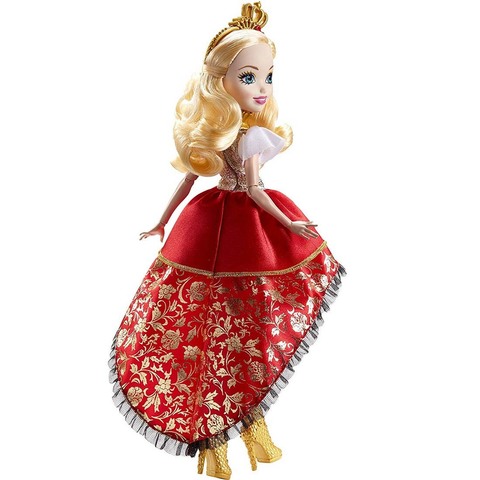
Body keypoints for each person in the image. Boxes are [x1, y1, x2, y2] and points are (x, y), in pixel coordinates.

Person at [108, 3, 346, 479]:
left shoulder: (244, 134)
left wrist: (164, 221)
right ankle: (221, 440)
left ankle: (239, 433)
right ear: (220, 82)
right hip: (230, 226)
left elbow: (197, 183)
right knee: (216, 328)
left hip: (218, 226)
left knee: (230, 329)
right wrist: (288, 223)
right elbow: (243, 188)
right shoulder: (238, 137)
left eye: (268, 77)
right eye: (250, 77)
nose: (262, 88)